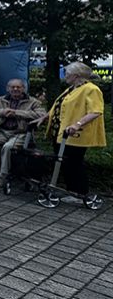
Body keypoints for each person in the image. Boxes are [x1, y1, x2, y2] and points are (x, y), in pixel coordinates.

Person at [42, 62, 106, 204]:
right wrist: (44, 118)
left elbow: (96, 111)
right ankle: (72, 191)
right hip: (61, 133)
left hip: (76, 134)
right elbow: (58, 107)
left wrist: (77, 124)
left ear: (76, 75)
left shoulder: (91, 89)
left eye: (67, 74)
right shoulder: (72, 88)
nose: (65, 76)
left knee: (74, 163)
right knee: (64, 162)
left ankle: (80, 193)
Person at [0, 79, 45, 187]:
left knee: (8, 147)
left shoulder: (33, 102)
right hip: (1, 132)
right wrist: (2, 112)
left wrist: (17, 113)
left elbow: (41, 115)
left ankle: (2, 176)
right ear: (7, 89)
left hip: (20, 133)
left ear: (23, 89)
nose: (15, 89)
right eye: (12, 87)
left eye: (18, 87)